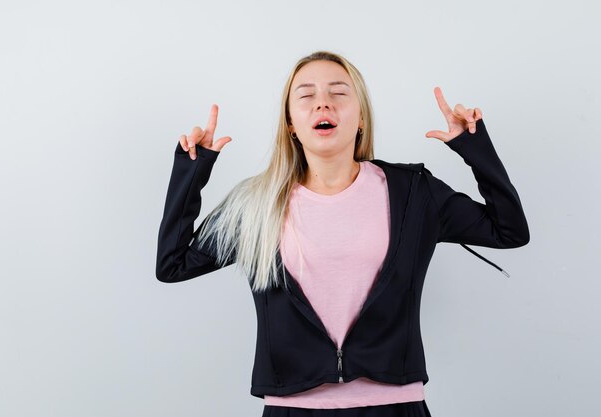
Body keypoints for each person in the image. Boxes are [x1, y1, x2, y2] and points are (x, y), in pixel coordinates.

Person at [155, 51, 530, 417]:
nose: (323, 105)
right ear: (290, 122)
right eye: (306, 95)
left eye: (338, 93)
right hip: (292, 408)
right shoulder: (255, 205)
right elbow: (172, 264)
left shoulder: (414, 193)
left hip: (395, 406)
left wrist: (473, 146)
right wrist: (192, 170)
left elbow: (509, 230)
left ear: (361, 116)